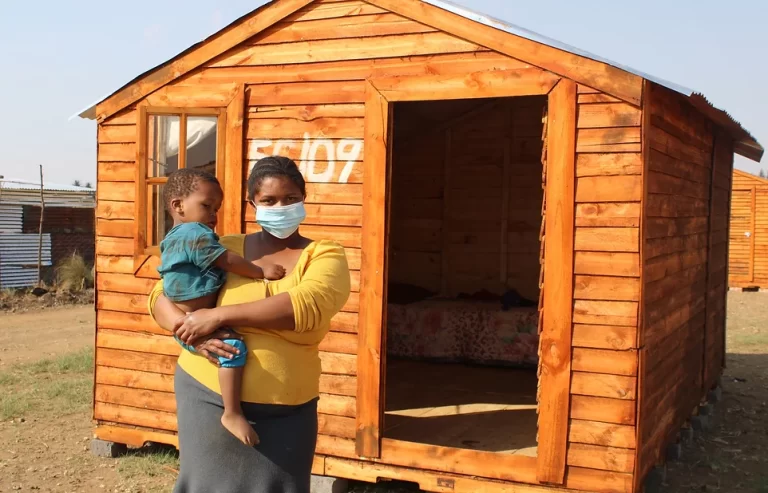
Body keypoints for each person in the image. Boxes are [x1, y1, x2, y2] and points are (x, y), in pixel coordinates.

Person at [147, 156, 351, 493]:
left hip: (288, 408)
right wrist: (192, 335)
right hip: (206, 396)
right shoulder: (225, 248)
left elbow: (305, 306)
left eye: (290, 199)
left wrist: (218, 315)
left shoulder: (325, 254)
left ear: (304, 198)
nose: (280, 207)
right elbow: (160, 295)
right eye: (269, 200)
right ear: (252, 203)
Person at [157, 168, 286, 446]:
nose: (214, 215)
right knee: (233, 349)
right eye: (206, 206)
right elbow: (226, 261)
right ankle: (232, 412)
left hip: (185, 319)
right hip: (191, 319)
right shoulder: (194, 233)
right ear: (178, 205)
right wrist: (259, 270)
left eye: (216, 208)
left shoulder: (176, 237)